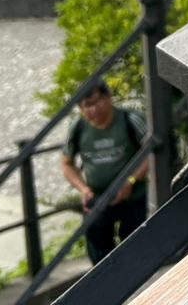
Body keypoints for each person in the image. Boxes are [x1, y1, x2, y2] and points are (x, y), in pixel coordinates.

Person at [61, 80, 149, 262]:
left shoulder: (130, 119)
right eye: (87, 106)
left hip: (133, 195)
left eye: (97, 102)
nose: (94, 109)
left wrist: (130, 182)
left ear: (109, 98)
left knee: (136, 247)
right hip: (97, 198)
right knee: (98, 247)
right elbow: (66, 163)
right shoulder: (77, 127)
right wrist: (83, 189)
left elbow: (152, 153)